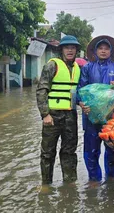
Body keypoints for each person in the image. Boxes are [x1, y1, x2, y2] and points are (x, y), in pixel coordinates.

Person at [78, 35, 114, 182]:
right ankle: (94, 180)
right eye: (101, 48)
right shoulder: (87, 67)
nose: (103, 51)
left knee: (112, 150)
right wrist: (81, 104)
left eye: (106, 48)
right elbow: (80, 89)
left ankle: (112, 179)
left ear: (111, 51)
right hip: (91, 117)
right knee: (91, 151)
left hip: (112, 117)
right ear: (95, 51)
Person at [36, 35, 81, 186]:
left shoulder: (77, 68)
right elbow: (41, 89)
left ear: (76, 50)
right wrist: (45, 114)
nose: (70, 50)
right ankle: (46, 184)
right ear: (61, 49)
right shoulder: (52, 65)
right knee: (48, 153)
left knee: (69, 151)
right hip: (53, 116)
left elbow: (77, 93)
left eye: (73, 47)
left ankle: (69, 184)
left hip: (71, 115)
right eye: (67, 47)